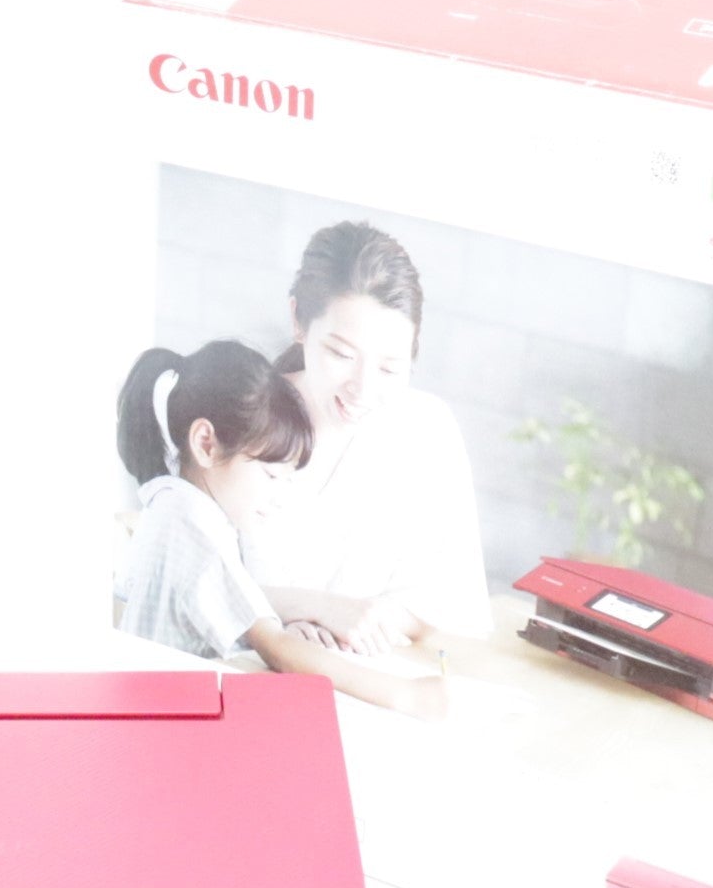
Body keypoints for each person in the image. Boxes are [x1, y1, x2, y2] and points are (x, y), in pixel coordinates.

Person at [116, 340, 449, 720]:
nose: (276, 497)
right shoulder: (192, 523)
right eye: (271, 475)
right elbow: (276, 647)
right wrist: (405, 694)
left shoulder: (171, 504)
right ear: (206, 443)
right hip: (163, 722)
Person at [243, 221, 493, 655]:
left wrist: (358, 621)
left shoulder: (427, 429)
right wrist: (306, 611)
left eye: (389, 367)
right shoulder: (242, 416)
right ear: (298, 320)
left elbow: (450, 599)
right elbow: (194, 572)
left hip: (366, 668)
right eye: (341, 354)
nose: (362, 389)